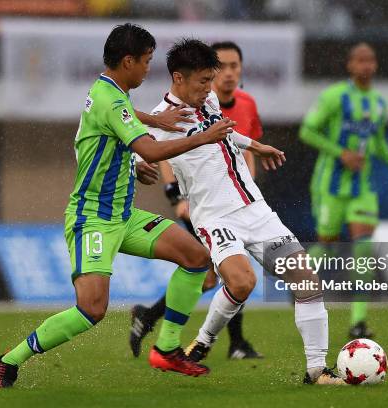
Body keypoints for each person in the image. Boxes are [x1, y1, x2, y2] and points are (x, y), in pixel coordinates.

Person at [0, 23, 236, 387]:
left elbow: (124, 118)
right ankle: (8, 360)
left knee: (197, 258)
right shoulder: (110, 98)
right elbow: (148, 148)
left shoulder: (111, 92)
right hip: (93, 220)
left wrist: (151, 128)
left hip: (124, 215)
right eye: (147, 61)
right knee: (92, 309)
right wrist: (203, 137)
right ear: (128, 60)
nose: (149, 69)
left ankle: (166, 348)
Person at [147, 38, 345, 385]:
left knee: (307, 280)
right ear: (178, 78)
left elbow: (224, 134)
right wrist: (141, 170)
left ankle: (317, 369)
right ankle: (205, 340)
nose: (210, 88)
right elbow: (141, 157)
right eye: (203, 81)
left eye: (212, 79)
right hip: (214, 217)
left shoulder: (207, 100)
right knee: (242, 282)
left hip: (256, 210)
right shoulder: (159, 121)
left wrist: (255, 144)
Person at [129, 41, 263, 360]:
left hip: (237, 198)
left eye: (234, 66)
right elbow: (162, 152)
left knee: (215, 273)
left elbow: (239, 148)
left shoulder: (244, 104)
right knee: (217, 271)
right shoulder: (180, 110)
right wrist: (174, 195)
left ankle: (149, 317)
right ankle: (231, 342)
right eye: (222, 68)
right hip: (203, 204)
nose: (228, 74)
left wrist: (248, 188)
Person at [299, 42, 388, 339]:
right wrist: (340, 153)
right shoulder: (334, 96)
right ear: (350, 65)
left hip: (362, 188)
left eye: (370, 60)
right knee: (327, 245)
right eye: (360, 60)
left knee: (362, 249)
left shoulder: (378, 104)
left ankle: (358, 321)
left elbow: (377, 142)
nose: (366, 65)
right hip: (330, 186)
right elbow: (307, 131)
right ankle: (300, 289)